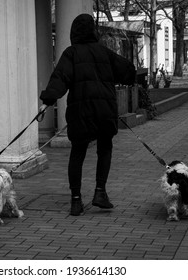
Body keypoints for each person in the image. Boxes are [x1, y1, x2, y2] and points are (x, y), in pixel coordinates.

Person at [40, 14, 136, 216]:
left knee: (77, 153)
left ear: (74, 32)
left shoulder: (71, 54)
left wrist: (47, 100)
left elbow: (60, 79)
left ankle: (76, 201)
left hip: (80, 112)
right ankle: (100, 193)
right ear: (93, 31)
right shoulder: (105, 53)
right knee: (105, 148)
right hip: (104, 111)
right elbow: (128, 71)